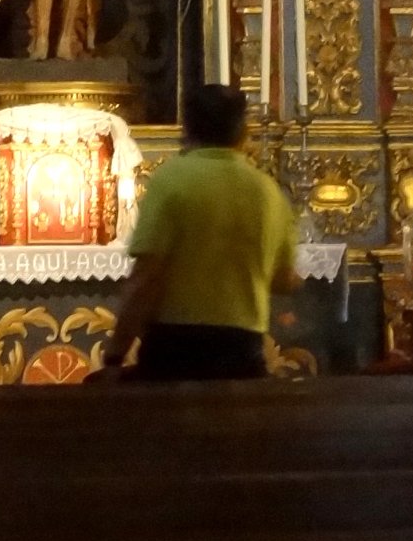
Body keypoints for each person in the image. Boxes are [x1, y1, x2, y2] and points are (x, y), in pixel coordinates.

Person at [102, 85, 300, 381]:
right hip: (243, 353)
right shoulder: (267, 190)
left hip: (174, 352)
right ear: (242, 132)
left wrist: (116, 353)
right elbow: (284, 279)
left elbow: (146, 278)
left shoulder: (171, 179)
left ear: (188, 129)